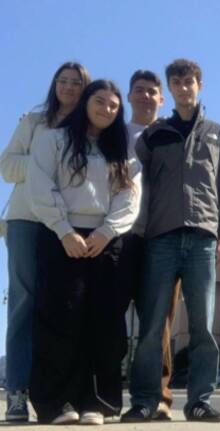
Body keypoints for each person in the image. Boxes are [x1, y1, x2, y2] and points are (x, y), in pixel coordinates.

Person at [121, 58, 220, 423]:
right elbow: (132, 181)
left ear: (199, 85)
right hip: (162, 238)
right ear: (169, 90)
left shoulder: (218, 133)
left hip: (203, 239)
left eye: (189, 81)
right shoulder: (157, 134)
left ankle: (199, 400)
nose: (183, 88)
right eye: (176, 82)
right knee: (154, 325)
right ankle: (143, 399)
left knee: (203, 326)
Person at [26, 79, 141, 425]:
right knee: (61, 318)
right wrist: (64, 231)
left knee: (104, 324)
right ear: (86, 102)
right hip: (60, 237)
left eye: (113, 106)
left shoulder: (122, 152)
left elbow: (130, 197)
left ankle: (99, 402)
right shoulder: (53, 140)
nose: (106, 109)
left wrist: (106, 232)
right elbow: (40, 185)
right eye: (100, 101)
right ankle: (56, 403)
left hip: (107, 241)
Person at [0, 61, 90, 422]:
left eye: (76, 83)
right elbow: (7, 167)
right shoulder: (33, 122)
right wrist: (43, 167)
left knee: (57, 309)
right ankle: (18, 393)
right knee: (23, 302)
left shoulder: (87, 129)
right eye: (63, 81)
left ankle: (53, 395)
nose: (68, 88)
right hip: (25, 220)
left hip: (66, 225)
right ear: (54, 85)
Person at [122, 69, 179, 421]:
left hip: (162, 239)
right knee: (106, 318)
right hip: (117, 239)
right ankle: (99, 395)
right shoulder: (113, 133)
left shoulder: (172, 136)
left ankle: (159, 397)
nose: (145, 96)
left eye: (152, 91)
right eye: (139, 90)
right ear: (129, 96)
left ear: (162, 99)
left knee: (159, 323)